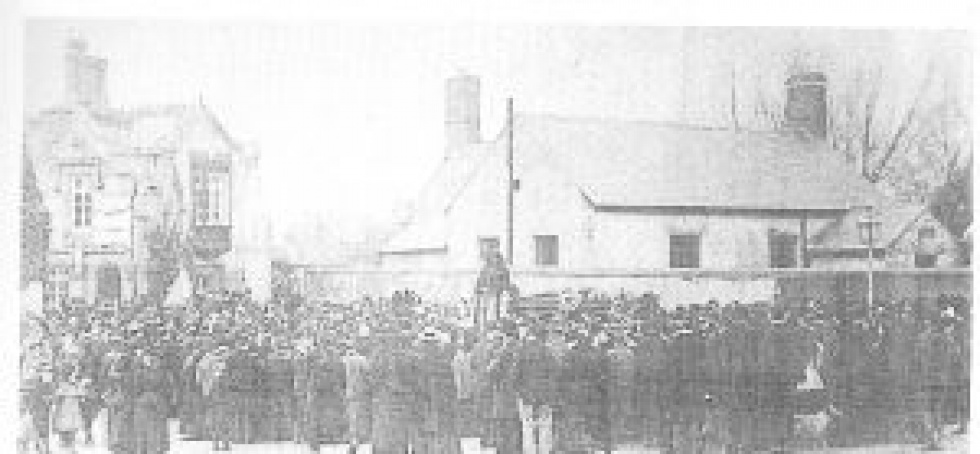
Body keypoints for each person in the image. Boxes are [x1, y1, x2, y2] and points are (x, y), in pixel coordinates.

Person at [53, 366, 88, 454]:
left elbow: (82, 395)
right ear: (68, 376)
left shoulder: (76, 385)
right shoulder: (63, 385)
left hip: (74, 410)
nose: (74, 377)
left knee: (73, 428)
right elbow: (58, 396)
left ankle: (71, 447)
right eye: (73, 375)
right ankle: (65, 445)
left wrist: (81, 391)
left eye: (75, 376)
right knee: (65, 427)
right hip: (65, 409)